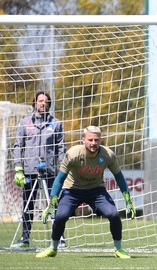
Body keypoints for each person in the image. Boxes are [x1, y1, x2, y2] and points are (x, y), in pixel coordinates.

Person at [36, 126, 136, 259]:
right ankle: (53, 248)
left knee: (113, 214)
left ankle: (118, 249)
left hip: (96, 191)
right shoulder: (73, 154)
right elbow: (60, 179)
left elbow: (119, 177)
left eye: (96, 140)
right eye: (90, 140)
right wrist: (52, 202)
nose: (93, 143)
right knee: (60, 216)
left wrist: (128, 201)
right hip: (72, 190)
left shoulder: (108, 155)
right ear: (83, 140)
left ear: (100, 140)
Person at [11, 91, 66, 248]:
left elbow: (61, 147)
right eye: (40, 101)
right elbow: (18, 146)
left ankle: (60, 238)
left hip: (49, 172)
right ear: (35, 103)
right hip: (29, 171)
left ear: (49, 104)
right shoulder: (24, 123)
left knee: (54, 204)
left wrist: (62, 167)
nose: (43, 104)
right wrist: (18, 168)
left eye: (46, 101)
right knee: (28, 205)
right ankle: (25, 238)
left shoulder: (56, 124)